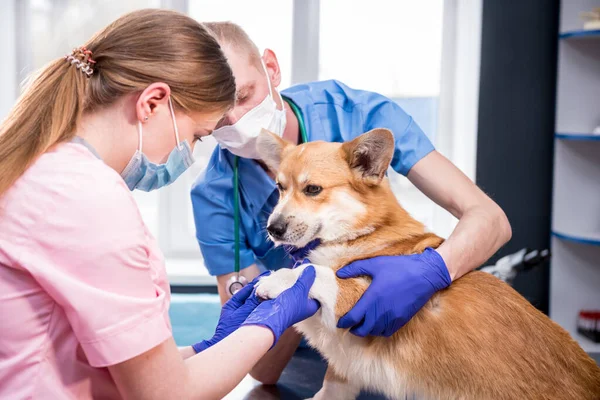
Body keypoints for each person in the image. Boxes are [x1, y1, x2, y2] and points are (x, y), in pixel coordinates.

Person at [0, 10, 319, 400]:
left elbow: (92, 365)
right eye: (197, 136)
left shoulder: (46, 171)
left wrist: (206, 349)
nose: (188, 155)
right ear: (152, 103)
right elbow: (165, 395)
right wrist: (274, 317)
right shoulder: (88, 200)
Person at [191, 22, 512, 384]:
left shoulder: (356, 114)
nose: (236, 121)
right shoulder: (213, 194)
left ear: (271, 68)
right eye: (217, 115)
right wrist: (303, 288)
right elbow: (262, 369)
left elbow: (490, 219)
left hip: (397, 338)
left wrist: (432, 270)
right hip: (305, 354)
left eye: (245, 96)